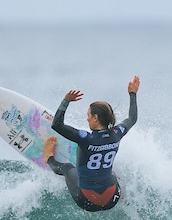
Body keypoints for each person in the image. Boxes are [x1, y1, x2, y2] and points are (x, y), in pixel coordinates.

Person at [43, 75, 140, 211]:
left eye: (88, 116)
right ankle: (122, 196)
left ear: (96, 117)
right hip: (113, 199)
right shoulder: (117, 133)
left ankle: (48, 158)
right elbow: (132, 118)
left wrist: (66, 101)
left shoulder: (85, 138)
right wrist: (132, 93)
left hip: (87, 201)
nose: (87, 119)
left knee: (67, 168)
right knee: (111, 175)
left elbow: (57, 125)